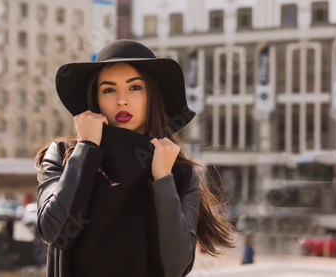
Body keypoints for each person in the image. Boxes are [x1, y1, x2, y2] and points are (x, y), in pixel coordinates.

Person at [34, 40, 236, 277]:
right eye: (108, 89)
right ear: (95, 99)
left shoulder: (177, 171)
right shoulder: (63, 154)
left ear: (153, 95)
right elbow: (55, 232)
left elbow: (175, 266)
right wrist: (86, 148)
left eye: (135, 87)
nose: (122, 100)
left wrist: (162, 180)